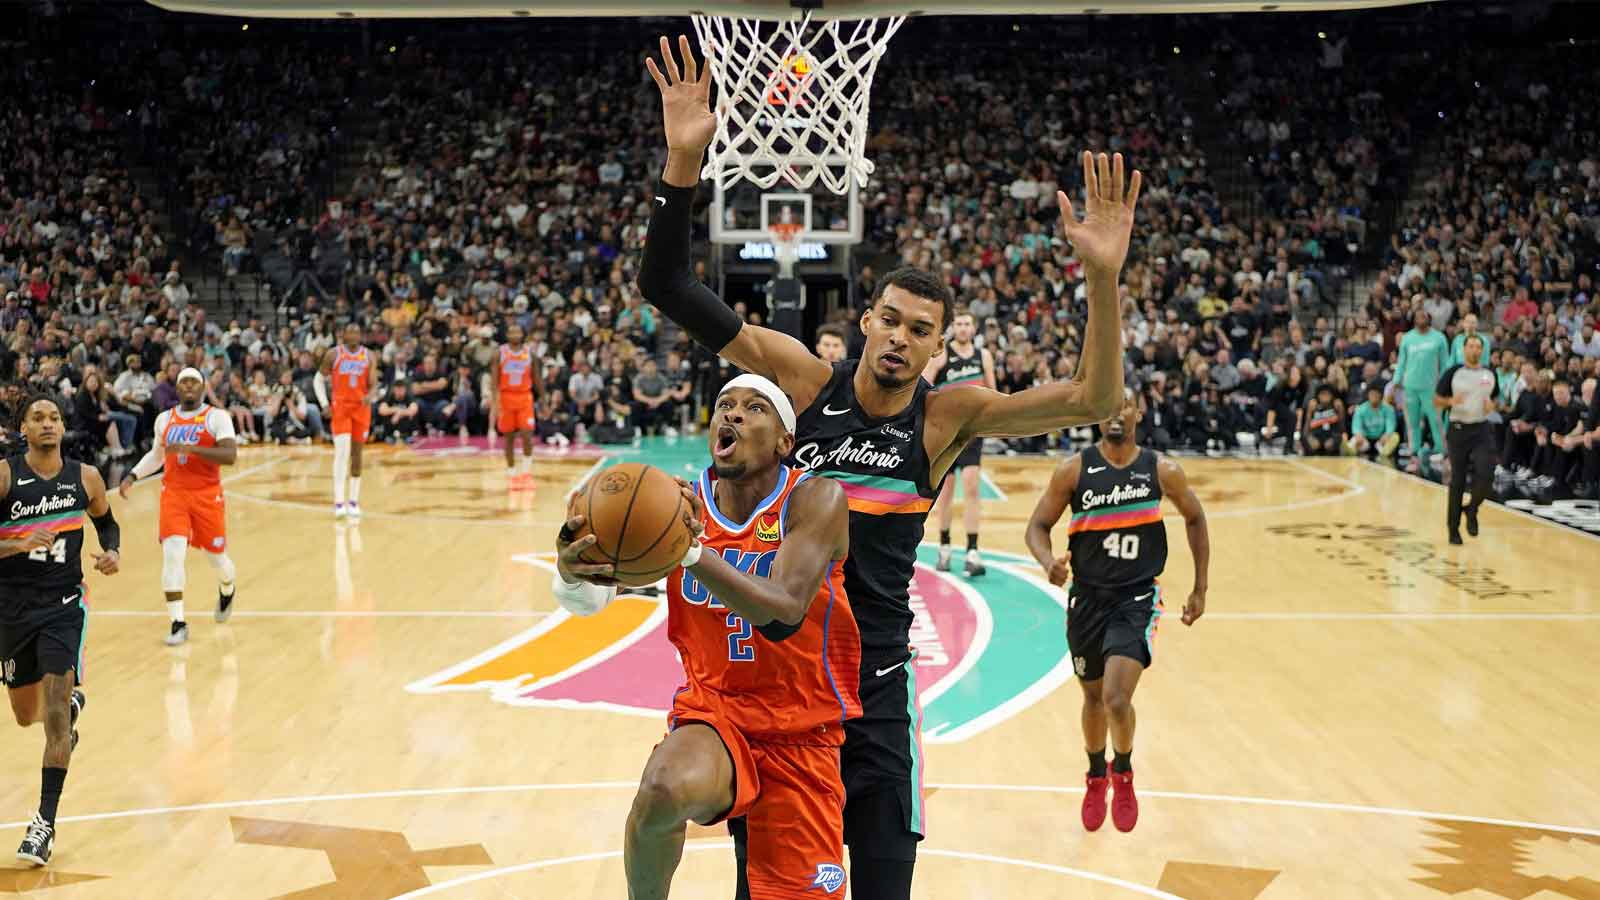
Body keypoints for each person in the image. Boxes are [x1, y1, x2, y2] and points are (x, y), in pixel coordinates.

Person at [637, 36, 1137, 896]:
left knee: (882, 886)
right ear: (866, 319)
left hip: (874, 691)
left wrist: (1102, 279)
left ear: (938, 348)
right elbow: (669, 286)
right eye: (892, 320)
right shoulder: (802, 380)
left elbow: (1093, 399)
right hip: (785, 697)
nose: (901, 339)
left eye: (921, 331)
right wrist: (684, 162)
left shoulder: (946, 421)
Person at [554, 375, 860, 900]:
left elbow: (784, 608)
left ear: (786, 441)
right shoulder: (677, 507)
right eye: (724, 405)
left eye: (754, 408)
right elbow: (588, 602)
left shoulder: (815, 499)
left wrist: (691, 553)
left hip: (801, 726)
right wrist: (571, 571)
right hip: (718, 713)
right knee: (661, 789)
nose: (734, 415)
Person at [1022, 388, 1208, 833]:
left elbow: (1196, 517)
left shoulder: (1161, 470)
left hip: (1136, 599)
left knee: (1116, 699)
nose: (1116, 413)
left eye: (1124, 404)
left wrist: (1201, 588)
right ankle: (1095, 775)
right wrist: (1049, 562)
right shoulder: (1074, 470)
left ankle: (1122, 771)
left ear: (1138, 412)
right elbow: (1037, 526)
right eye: (1108, 405)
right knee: (1091, 698)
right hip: (1086, 598)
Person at [2, 395, 121, 865]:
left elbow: (106, 524)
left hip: (64, 607)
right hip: (12, 612)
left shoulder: (85, 477)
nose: (48, 424)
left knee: (51, 717)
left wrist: (112, 552)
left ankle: (44, 824)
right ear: (23, 429)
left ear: (62, 427)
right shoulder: (6, 476)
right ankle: (70, 707)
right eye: (38, 418)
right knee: (25, 715)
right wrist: (17, 542)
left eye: (54, 417)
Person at [120, 368, 239, 645]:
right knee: (172, 555)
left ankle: (227, 588)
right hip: (173, 494)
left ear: (203, 387)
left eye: (193, 382)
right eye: (183, 381)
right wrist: (133, 475)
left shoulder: (216, 417)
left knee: (217, 559)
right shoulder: (165, 420)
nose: (188, 386)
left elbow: (230, 455)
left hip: (207, 496)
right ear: (176, 387)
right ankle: (178, 623)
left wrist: (192, 449)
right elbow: (156, 455)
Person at [921, 311, 997, 575]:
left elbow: (992, 392)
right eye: (960, 324)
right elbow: (925, 385)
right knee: (945, 494)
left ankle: (973, 552)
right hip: (947, 433)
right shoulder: (942, 355)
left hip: (972, 433)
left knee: (972, 489)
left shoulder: (983, 356)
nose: (964, 328)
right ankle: (944, 548)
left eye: (968, 324)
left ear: (974, 328)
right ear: (954, 328)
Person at [1433, 335, 1499, 544]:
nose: (1475, 350)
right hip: (1458, 429)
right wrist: (1450, 401)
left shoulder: (1489, 373)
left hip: (1481, 429)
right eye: (1471, 346)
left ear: (1483, 350)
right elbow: (1436, 400)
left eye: (1478, 347)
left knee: (1487, 475)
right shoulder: (1453, 372)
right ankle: (1453, 529)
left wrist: (1492, 406)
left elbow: (1494, 398)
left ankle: (1471, 510)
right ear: (1463, 349)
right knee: (1458, 481)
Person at [315, 324, 377, 519]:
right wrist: (324, 403)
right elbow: (318, 379)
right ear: (343, 334)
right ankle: (339, 502)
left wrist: (371, 396)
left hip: (361, 408)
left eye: (357, 332)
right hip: (340, 408)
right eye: (350, 331)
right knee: (341, 452)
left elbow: (374, 384)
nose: (354, 335)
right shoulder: (333, 354)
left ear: (361, 335)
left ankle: (354, 501)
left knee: (357, 455)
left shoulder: (369, 356)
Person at [1395, 308, 1449, 472]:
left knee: (1436, 420)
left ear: (1429, 318)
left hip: (1431, 387)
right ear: (1414, 319)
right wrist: (1397, 382)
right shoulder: (1407, 338)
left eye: (1424, 316)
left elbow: (1445, 363)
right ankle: (1414, 455)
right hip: (1410, 386)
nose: (1421, 318)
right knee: (1413, 422)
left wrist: (1445, 385)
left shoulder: (1439, 338)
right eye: (1418, 316)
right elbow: (1401, 362)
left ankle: (1443, 453)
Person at [491, 323, 539, 488]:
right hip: (506, 397)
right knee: (509, 438)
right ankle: (512, 474)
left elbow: (537, 378)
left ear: (522, 333)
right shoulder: (500, 353)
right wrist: (495, 402)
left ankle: (526, 473)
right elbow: (494, 380)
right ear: (507, 335)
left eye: (518, 331)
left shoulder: (529, 353)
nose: (515, 334)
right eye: (512, 331)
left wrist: (544, 400)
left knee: (527, 435)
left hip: (525, 397)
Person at [1345, 384, 1400, 461]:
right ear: (1368, 395)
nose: (1374, 396)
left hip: (1381, 440)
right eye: (1372, 394)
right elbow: (1356, 426)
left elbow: (1390, 425)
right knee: (1354, 440)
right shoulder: (1361, 409)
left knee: (1395, 436)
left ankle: (1384, 453)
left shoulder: (1388, 409)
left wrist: (1387, 434)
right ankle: (1350, 451)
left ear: (1380, 395)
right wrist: (1358, 435)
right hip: (1365, 440)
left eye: (1376, 394)